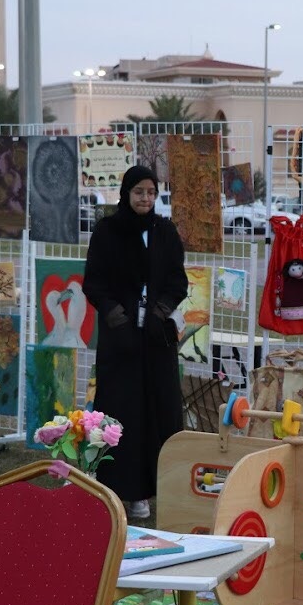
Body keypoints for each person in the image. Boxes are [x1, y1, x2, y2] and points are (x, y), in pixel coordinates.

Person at [83, 165, 188, 519]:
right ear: (126, 193)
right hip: (121, 342)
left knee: (160, 411)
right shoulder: (108, 231)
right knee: (121, 412)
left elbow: (177, 280)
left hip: (157, 341)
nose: (145, 198)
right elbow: (94, 282)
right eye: (139, 192)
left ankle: (153, 490)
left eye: (151, 192)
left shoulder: (165, 232)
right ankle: (118, 489)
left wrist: (159, 312)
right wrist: (118, 317)